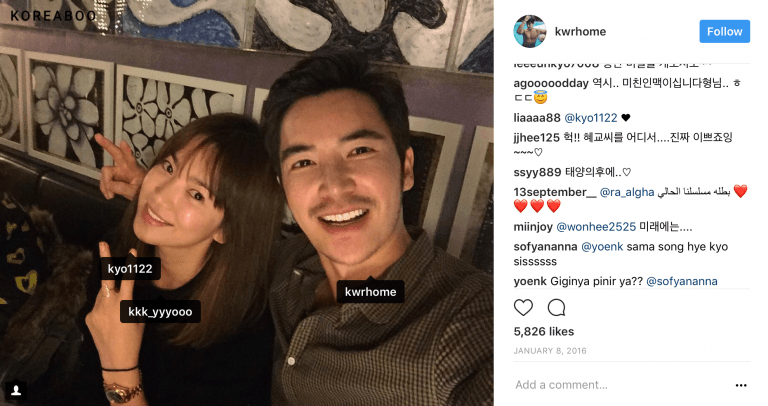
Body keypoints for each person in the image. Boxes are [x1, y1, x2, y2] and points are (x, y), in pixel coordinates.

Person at [99, 53, 494, 405]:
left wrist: (120, 375)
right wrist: (156, 196)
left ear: (406, 168)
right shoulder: (289, 265)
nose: (334, 186)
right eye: (303, 162)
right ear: (284, 186)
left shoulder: (470, 326)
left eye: (359, 151)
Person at [79, 113, 284, 405]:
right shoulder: (119, 259)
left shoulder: (243, 332)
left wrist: (120, 369)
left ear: (226, 229)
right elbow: (85, 378)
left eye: (196, 194)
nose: (159, 195)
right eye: (168, 167)